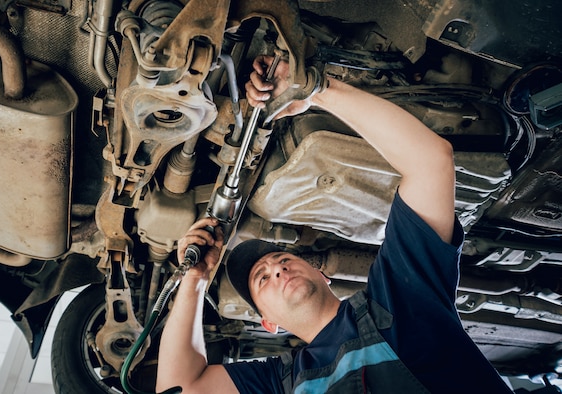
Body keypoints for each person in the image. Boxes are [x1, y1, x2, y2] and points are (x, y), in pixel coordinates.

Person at [155, 55, 513, 393]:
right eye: (263, 278)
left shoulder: (397, 301)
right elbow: (182, 388)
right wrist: (194, 281)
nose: (277, 270)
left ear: (322, 274)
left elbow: (432, 162)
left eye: (282, 261)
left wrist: (315, 89)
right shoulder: (282, 381)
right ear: (268, 322)